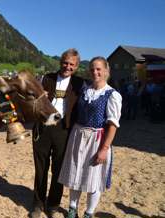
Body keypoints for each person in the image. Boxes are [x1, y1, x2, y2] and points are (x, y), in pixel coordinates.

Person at [58, 57, 122, 218]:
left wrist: (104, 149)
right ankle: (72, 209)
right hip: (78, 135)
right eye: (92, 69)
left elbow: (112, 125)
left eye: (99, 69)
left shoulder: (112, 95)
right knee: (76, 174)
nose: (95, 72)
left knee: (94, 179)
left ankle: (88, 213)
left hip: (97, 139)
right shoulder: (85, 90)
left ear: (107, 71)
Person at [31, 48, 84, 218]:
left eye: (72, 64)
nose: (67, 66)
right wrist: (38, 97)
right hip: (43, 127)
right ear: (60, 62)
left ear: (76, 66)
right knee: (41, 168)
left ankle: (53, 205)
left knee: (59, 169)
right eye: (65, 63)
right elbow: (31, 100)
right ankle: (38, 204)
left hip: (64, 129)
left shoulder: (80, 83)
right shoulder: (47, 78)